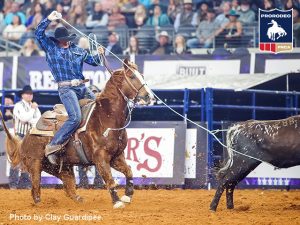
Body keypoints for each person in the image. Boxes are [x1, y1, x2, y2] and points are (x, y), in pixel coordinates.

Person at [35, 11, 105, 165]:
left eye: (65, 40)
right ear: (58, 40)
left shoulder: (78, 50)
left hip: (81, 87)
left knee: (100, 109)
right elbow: (39, 34)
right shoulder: (51, 48)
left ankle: (98, 143)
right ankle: (53, 145)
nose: (64, 42)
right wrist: (47, 20)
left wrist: (100, 54)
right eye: (62, 40)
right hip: (66, 89)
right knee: (75, 117)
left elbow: (95, 62)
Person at [9, 85, 41, 189]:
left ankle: (25, 184)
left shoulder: (34, 106)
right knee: (17, 159)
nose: (29, 95)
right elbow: (23, 118)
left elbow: (38, 121)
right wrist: (32, 111)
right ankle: (13, 184)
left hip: (30, 136)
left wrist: (29, 117)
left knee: (28, 160)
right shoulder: (18, 106)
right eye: (27, 93)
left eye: (31, 94)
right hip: (19, 136)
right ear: (22, 95)